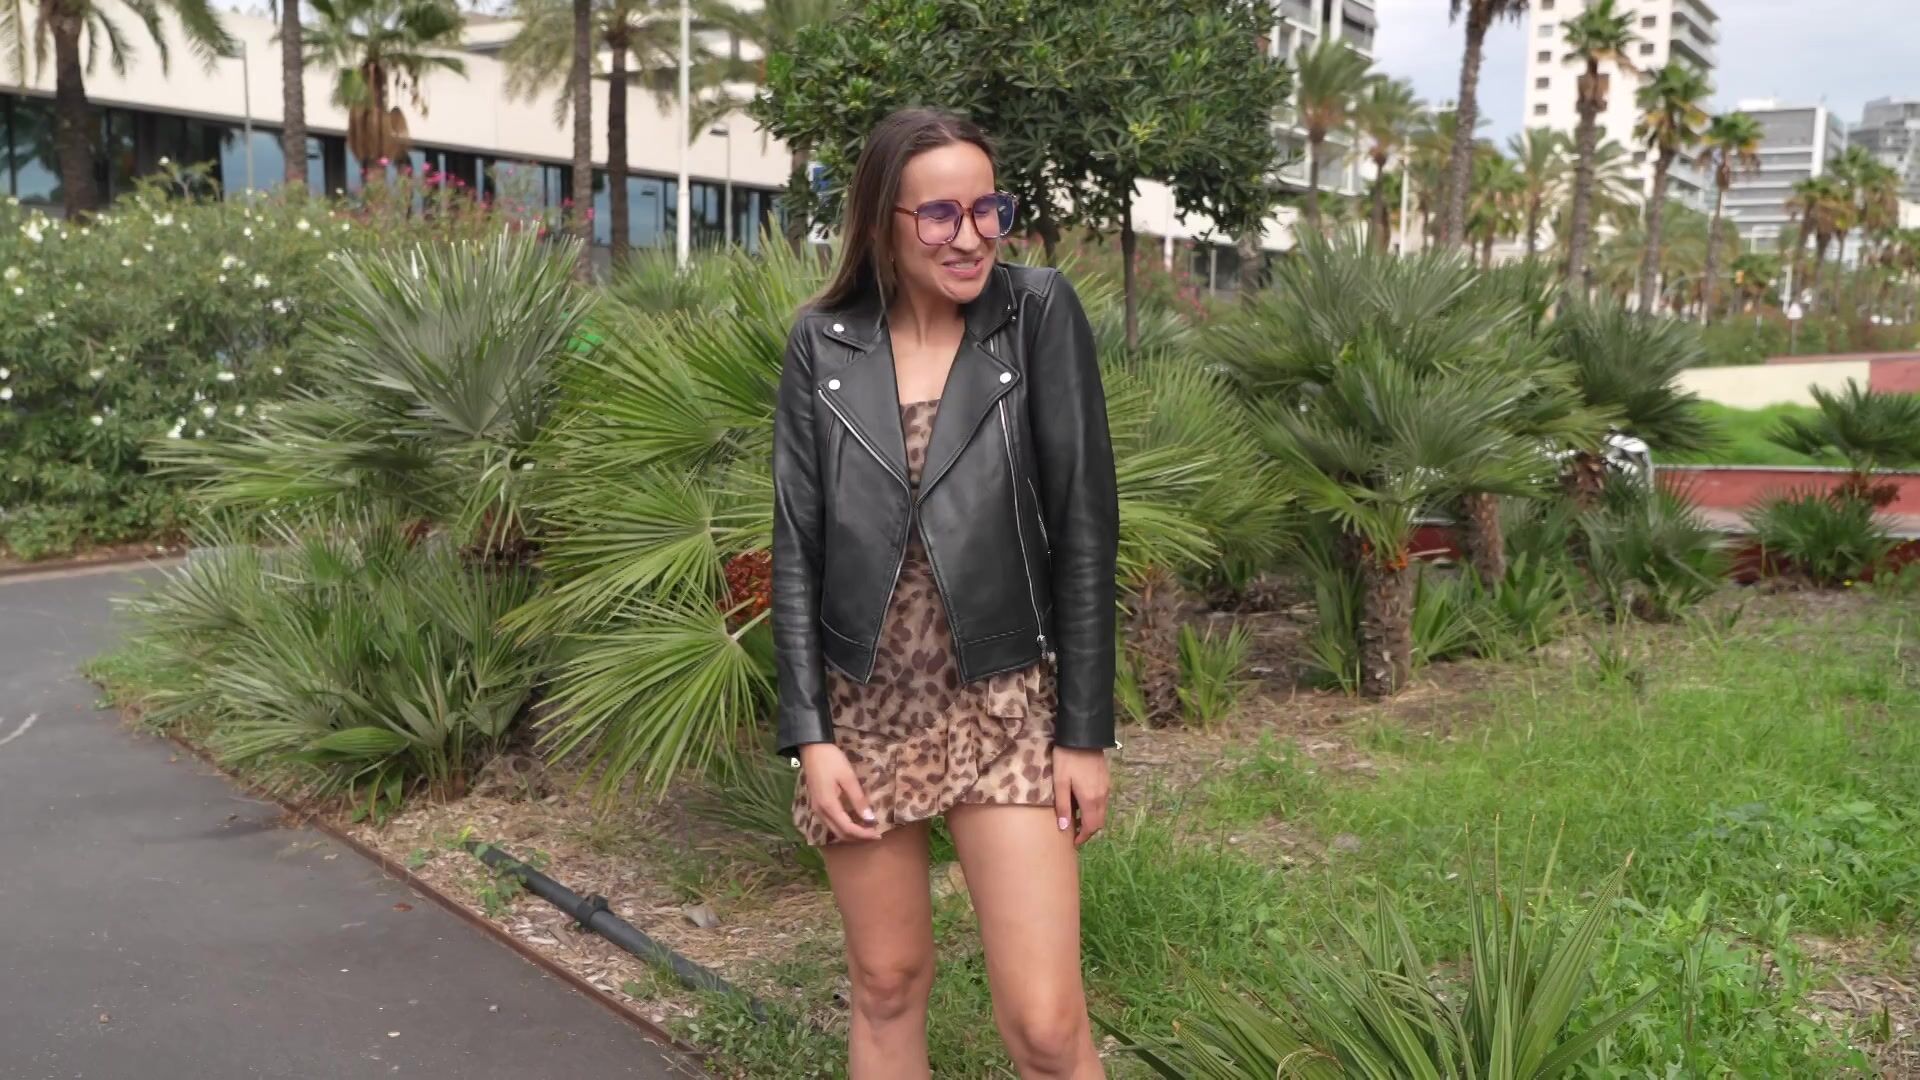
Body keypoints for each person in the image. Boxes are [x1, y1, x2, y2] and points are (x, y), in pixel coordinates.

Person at [769, 106, 1120, 1079]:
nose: (969, 236)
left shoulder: (1036, 314)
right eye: (938, 215)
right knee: (885, 984)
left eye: (986, 209)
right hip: (865, 714)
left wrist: (1084, 734)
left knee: (1046, 1025)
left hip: (1004, 705)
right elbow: (796, 547)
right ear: (883, 222)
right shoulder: (824, 344)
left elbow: (1086, 529)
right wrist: (811, 736)